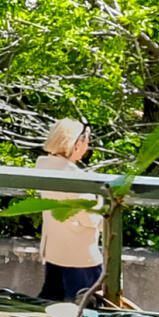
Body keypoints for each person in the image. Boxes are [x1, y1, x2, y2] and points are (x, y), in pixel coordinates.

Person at [32, 118, 105, 305]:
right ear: (77, 143)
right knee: (86, 311)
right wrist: (101, 200)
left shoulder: (42, 165)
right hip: (81, 257)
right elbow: (91, 219)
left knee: (50, 305)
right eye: (86, 141)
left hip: (54, 251)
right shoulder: (74, 176)